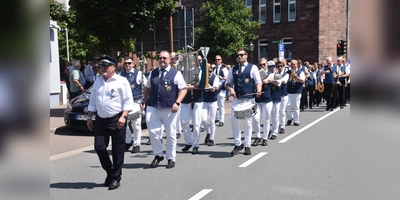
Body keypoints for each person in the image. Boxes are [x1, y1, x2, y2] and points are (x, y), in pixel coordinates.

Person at [86, 55, 134, 190]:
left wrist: (124, 116)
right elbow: (93, 101)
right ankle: (110, 171)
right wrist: (89, 117)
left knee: (118, 149)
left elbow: (128, 101)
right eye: (101, 66)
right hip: (101, 119)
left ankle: (116, 178)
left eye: (106, 66)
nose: (103, 68)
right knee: (99, 147)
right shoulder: (98, 81)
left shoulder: (121, 81)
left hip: (117, 118)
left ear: (113, 67)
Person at [142, 50, 187, 169]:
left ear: (170, 60)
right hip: (154, 106)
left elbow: (183, 89)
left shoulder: (175, 73)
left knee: (171, 133)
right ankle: (158, 155)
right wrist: (144, 100)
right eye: (160, 58)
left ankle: (171, 157)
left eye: (164, 58)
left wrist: (177, 103)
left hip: (169, 107)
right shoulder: (154, 73)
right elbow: (147, 87)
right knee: (153, 131)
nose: (162, 60)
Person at [225, 48, 262, 156]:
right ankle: (237, 144)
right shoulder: (234, 69)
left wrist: (259, 90)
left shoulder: (253, 67)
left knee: (248, 123)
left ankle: (247, 145)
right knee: (233, 120)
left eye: (242, 55)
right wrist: (231, 89)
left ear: (246, 56)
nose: (240, 57)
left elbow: (258, 81)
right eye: (238, 55)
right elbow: (227, 83)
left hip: (249, 99)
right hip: (237, 99)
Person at [120, 57, 147, 153]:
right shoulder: (121, 75)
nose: (127, 65)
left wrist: (144, 101)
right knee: (125, 124)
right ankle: (128, 142)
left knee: (136, 124)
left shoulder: (139, 74)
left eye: (129, 63)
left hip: (136, 102)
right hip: (124, 103)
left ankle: (136, 144)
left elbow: (145, 87)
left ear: (133, 64)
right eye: (125, 63)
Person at [181, 55, 204, 154]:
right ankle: (189, 141)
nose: (189, 61)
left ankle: (195, 144)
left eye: (190, 59)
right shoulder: (181, 72)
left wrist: (191, 87)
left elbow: (203, 85)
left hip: (197, 99)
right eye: (187, 59)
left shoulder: (200, 71)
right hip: (185, 100)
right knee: (184, 122)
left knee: (197, 123)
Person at [201, 64, 220, 146]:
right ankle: (208, 132)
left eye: (210, 71)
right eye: (207, 71)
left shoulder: (215, 77)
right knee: (203, 119)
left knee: (212, 120)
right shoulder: (202, 76)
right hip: (204, 101)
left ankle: (211, 138)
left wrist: (207, 84)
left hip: (212, 101)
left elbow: (213, 89)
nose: (208, 73)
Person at [286, 59, 305, 126]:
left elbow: (302, 80)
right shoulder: (288, 72)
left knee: (296, 107)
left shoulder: (300, 72)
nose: (292, 66)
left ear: (297, 65)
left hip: (297, 92)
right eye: (291, 64)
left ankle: (296, 120)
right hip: (289, 92)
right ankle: (290, 118)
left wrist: (296, 77)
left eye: (294, 64)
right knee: (287, 105)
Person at [213, 55, 228, 127]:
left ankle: (222, 120)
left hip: (221, 89)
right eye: (216, 60)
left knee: (221, 105)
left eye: (218, 59)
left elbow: (227, 78)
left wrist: (221, 77)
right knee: (214, 104)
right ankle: (216, 117)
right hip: (214, 88)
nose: (217, 61)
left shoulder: (223, 69)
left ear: (221, 60)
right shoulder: (213, 68)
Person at [277, 60, 290, 134]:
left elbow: (283, 81)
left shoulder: (286, 74)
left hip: (284, 95)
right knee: (276, 112)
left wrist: (276, 81)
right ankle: (277, 125)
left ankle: (282, 126)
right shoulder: (275, 73)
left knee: (282, 111)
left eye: (281, 66)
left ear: (283, 67)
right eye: (278, 66)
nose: (280, 68)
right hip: (276, 95)